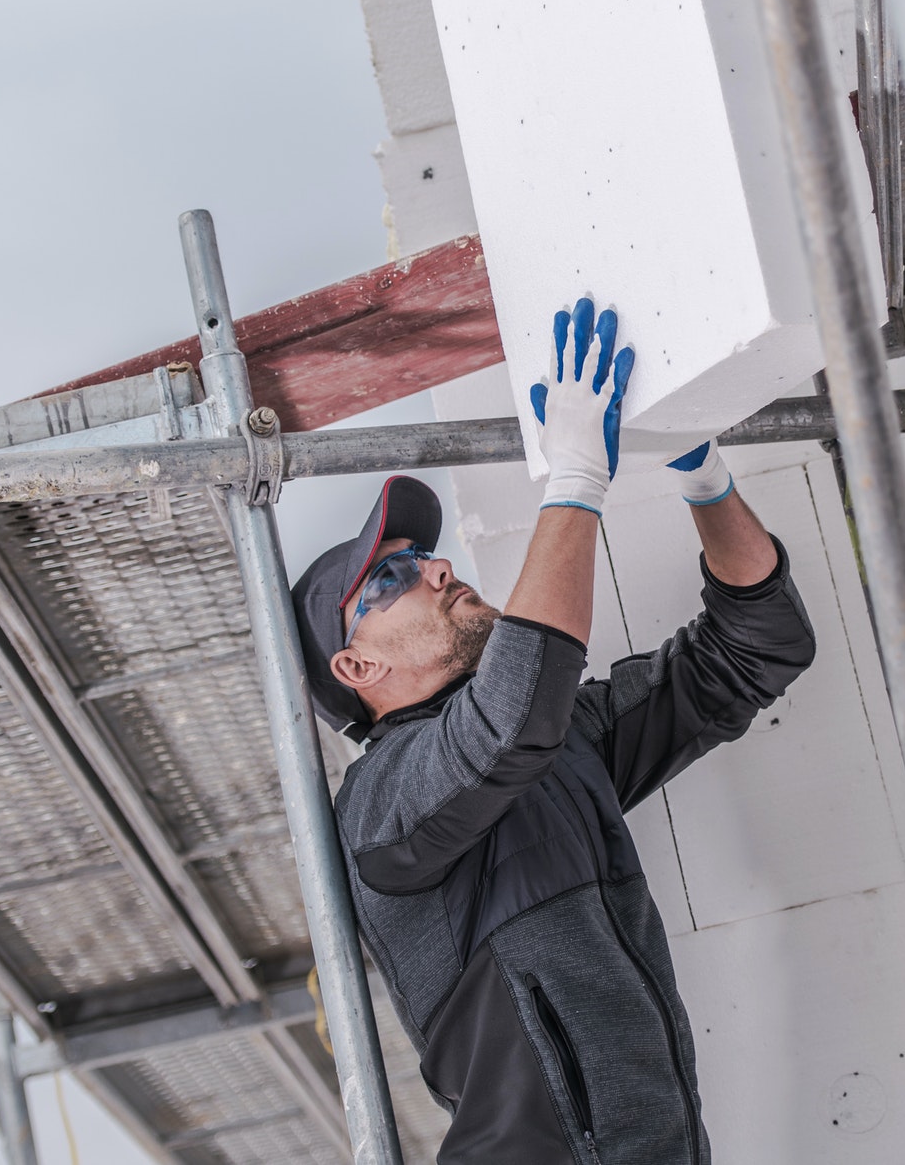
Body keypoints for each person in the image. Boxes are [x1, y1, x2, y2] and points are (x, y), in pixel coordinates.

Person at [290, 298, 817, 1164]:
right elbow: (506, 722)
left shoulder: (559, 741)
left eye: (421, 555)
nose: (435, 568)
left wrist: (699, 470)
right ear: (357, 669)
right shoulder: (378, 811)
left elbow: (755, 649)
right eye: (389, 578)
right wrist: (575, 479)